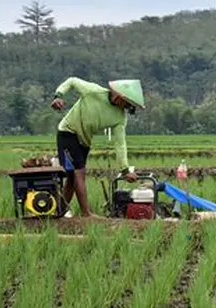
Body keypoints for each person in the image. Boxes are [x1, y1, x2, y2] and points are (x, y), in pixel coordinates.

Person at [49, 77, 145, 217]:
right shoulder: (94, 91)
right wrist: (59, 96)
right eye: (127, 103)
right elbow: (72, 81)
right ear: (119, 96)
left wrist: (125, 170)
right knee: (78, 172)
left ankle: (59, 211)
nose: (127, 107)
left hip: (84, 141)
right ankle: (86, 213)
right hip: (68, 132)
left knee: (71, 177)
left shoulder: (120, 117)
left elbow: (120, 144)